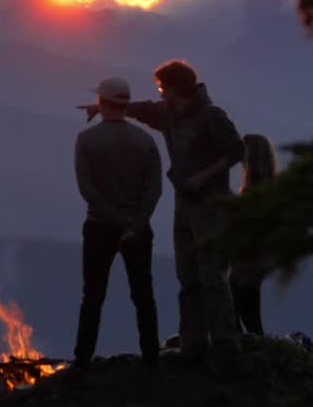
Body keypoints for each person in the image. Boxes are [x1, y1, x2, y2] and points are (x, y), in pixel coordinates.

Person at [80, 60, 245, 362]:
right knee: (188, 276)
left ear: (174, 89)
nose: (160, 94)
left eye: (162, 88)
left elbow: (237, 150)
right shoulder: (168, 114)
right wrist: (101, 108)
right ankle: (193, 345)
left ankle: (225, 346)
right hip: (184, 204)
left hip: (212, 205)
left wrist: (205, 176)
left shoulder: (211, 117)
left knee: (214, 277)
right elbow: (139, 108)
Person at [72, 77, 164, 375]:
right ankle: (152, 359)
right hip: (138, 228)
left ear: (101, 103)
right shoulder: (146, 140)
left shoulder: (86, 140)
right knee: (143, 294)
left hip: (99, 226)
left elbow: (87, 189)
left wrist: (115, 218)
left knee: (93, 296)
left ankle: (83, 361)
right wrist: (136, 222)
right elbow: (155, 189)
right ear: (125, 104)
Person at [230, 133, 277, 336]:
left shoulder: (256, 188)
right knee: (246, 306)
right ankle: (252, 347)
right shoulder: (267, 184)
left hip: (250, 258)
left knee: (243, 307)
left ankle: (252, 351)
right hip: (257, 258)